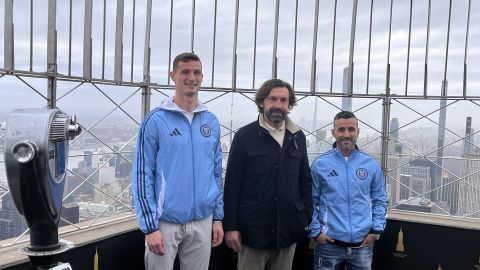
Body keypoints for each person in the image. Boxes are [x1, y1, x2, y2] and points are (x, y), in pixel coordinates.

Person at [131, 52, 224, 270]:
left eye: (197, 72)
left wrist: (217, 218)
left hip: (202, 219)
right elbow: (142, 174)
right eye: (185, 72)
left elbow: (216, 173)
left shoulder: (210, 121)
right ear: (173, 75)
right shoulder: (155, 120)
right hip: (165, 222)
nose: (192, 77)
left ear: (202, 77)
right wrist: (150, 227)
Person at [224, 78, 312, 270]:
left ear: (289, 105)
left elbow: (305, 180)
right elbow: (232, 184)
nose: (278, 105)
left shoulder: (297, 137)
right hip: (253, 233)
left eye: (283, 100)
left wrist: (305, 216)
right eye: (273, 99)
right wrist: (231, 227)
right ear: (262, 102)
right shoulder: (244, 137)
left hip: (287, 233)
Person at [309, 111, 388, 270]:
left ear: (358, 132)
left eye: (351, 129)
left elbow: (380, 199)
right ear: (333, 133)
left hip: (362, 246)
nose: (346, 134)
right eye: (341, 130)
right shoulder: (320, 164)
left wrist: (376, 230)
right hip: (328, 245)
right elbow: (310, 201)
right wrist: (316, 232)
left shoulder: (370, 164)